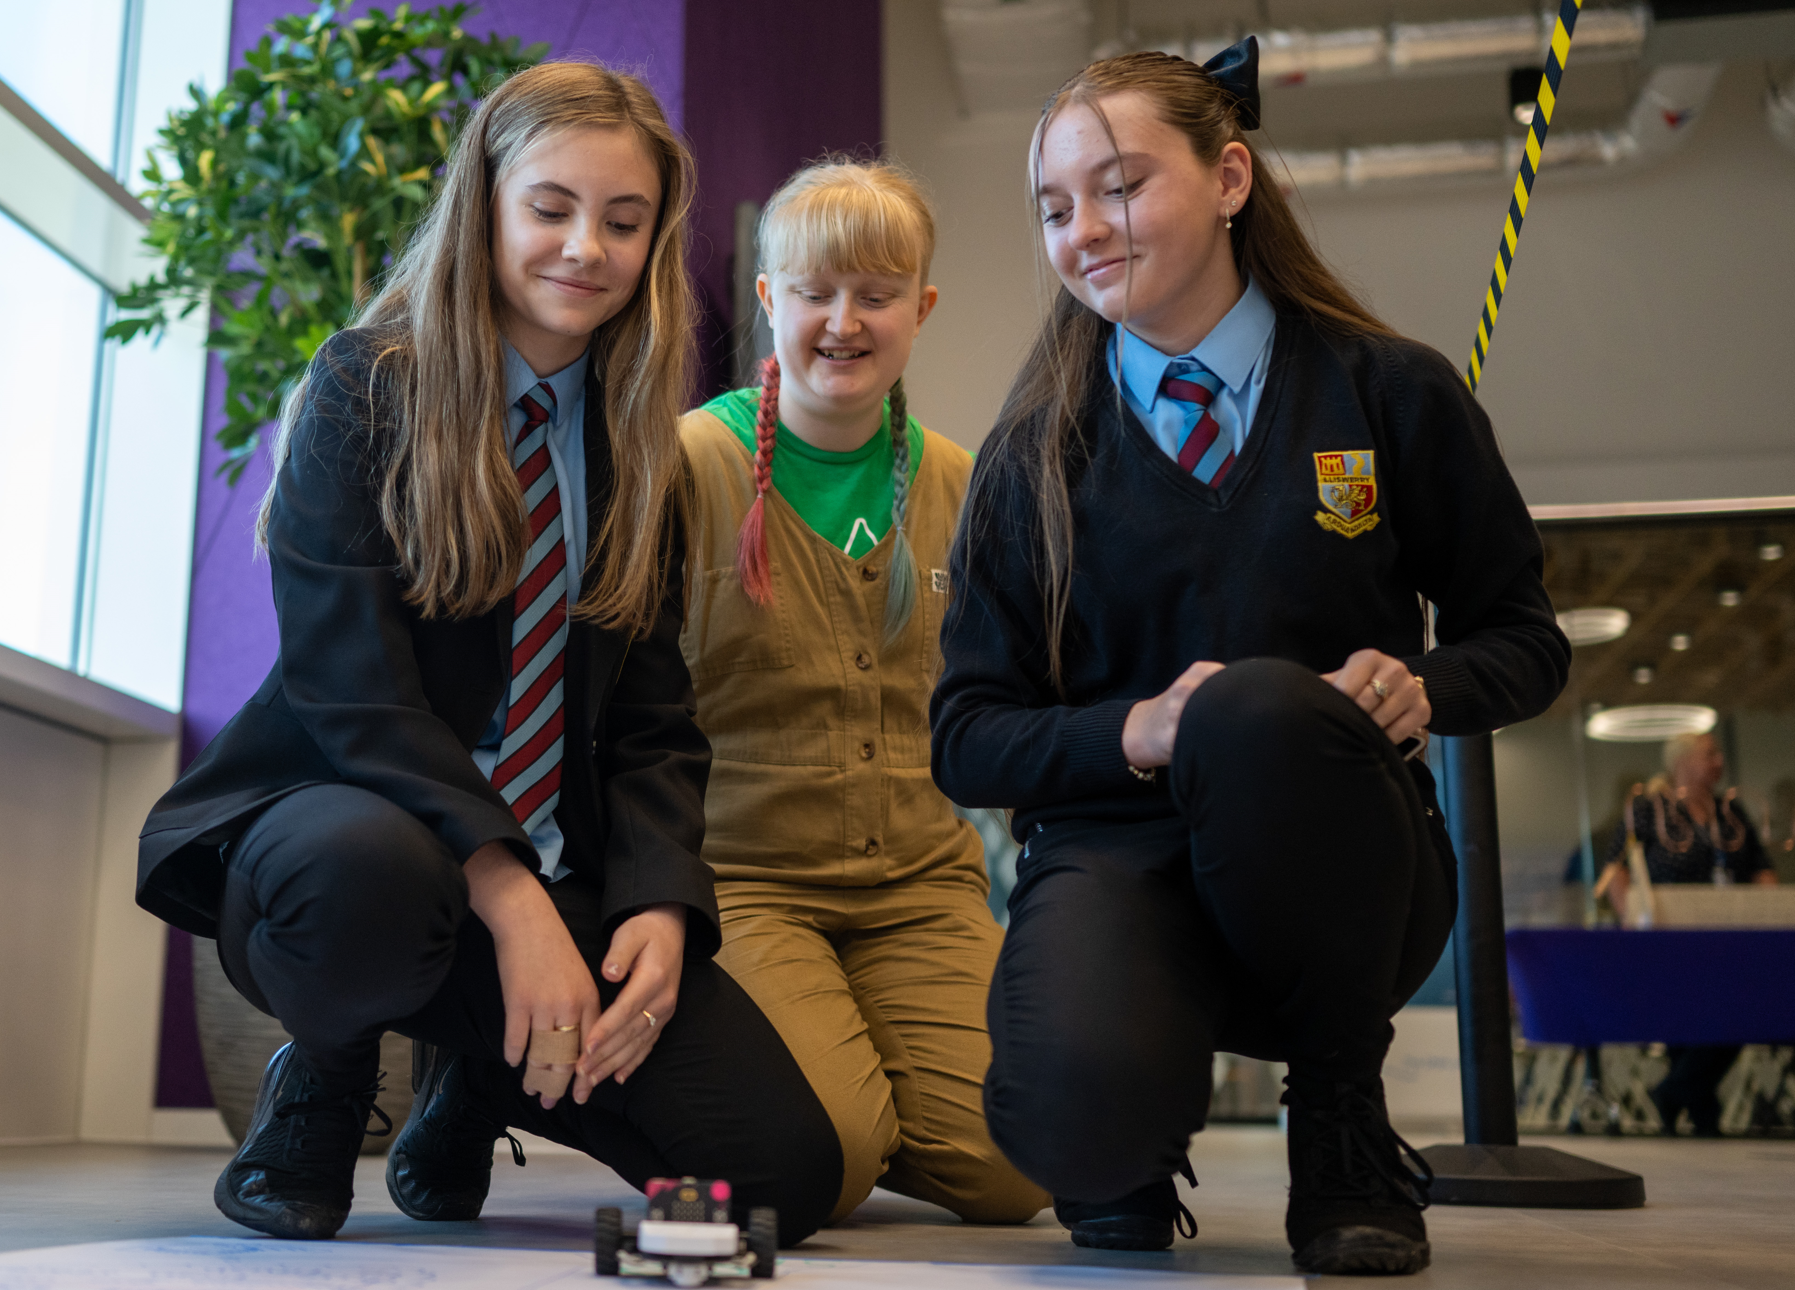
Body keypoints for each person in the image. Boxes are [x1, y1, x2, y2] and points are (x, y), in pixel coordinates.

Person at [135, 63, 840, 1243]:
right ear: (488, 208)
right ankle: (326, 1074)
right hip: (348, 837)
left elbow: (658, 724)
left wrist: (660, 910)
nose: (586, 247)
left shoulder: (642, 454)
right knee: (369, 875)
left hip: (555, 871)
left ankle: (478, 1067)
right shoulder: (366, 388)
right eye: (551, 208)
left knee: (782, 1179)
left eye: (624, 222)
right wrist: (518, 905)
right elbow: (354, 695)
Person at [929, 38, 1569, 1277]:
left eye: (1119, 186)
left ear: (1230, 178)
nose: (1084, 231)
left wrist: (1422, 688)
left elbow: (1526, 642)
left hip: (1346, 873)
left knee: (1261, 715)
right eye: (1054, 207)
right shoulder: (1028, 458)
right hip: (1118, 854)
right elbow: (966, 737)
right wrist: (1137, 731)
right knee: (1075, 1131)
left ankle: (1339, 1113)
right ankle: (1133, 1119)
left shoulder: (1391, 394)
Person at [675, 159, 1048, 1227]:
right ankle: (850, 1106)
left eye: (877, 295)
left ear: (920, 310)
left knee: (1020, 1171)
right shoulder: (684, 466)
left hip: (922, 888)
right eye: (814, 292)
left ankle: (875, 1079)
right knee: (824, 1166)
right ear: (768, 300)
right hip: (744, 886)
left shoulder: (965, 486)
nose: (844, 321)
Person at [1597, 731, 1778, 1135]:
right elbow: (1616, 869)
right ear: (1682, 762)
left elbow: (1760, 867)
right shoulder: (1649, 807)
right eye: (1709, 753)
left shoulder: (1730, 811)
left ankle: (1677, 1094)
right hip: (1670, 938)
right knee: (1689, 1018)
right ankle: (1699, 1110)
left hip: (1729, 938)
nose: (1718, 761)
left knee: (1737, 1013)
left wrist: (1770, 915)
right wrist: (1635, 922)